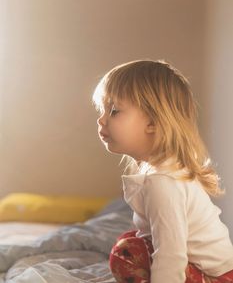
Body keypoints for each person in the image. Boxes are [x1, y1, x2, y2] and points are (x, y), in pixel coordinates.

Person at [92, 59, 233, 283]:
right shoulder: (159, 169)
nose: (101, 119)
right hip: (214, 270)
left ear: (153, 122)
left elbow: (171, 255)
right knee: (132, 241)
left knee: (127, 253)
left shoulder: (163, 183)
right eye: (102, 110)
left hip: (216, 277)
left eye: (114, 110)